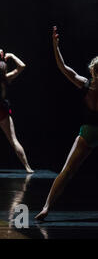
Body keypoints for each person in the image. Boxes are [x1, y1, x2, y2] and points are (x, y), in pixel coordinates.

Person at [35, 27, 98, 221]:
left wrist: (55, 45)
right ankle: (46, 207)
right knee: (67, 170)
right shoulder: (85, 84)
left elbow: (62, 67)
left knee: (67, 170)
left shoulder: (86, 84)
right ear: (93, 71)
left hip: (88, 133)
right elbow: (63, 67)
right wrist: (55, 46)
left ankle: (46, 207)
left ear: (91, 70)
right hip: (88, 133)